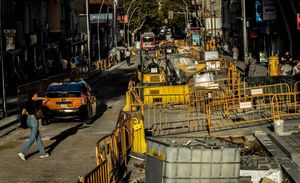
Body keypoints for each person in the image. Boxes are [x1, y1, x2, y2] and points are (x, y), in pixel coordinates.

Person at [18, 92, 49, 161]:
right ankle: (22, 153)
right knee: (32, 138)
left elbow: (23, 112)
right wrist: (38, 98)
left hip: (28, 120)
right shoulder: (37, 102)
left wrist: (29, 113)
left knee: (37, 137)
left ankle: (43, 153)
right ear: (33, 96)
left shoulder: (27, 102)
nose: (37, 96)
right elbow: (47, 99)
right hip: (34, 121)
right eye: (36, 95)